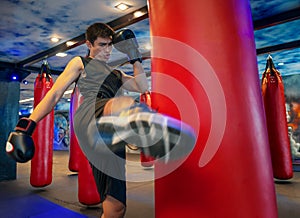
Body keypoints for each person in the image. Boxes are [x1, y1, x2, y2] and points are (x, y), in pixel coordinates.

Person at [6, 22, 196, 218]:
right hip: (90, 115)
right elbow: (54, 95)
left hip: (111, 136)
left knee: (117, 207)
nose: (107, 50)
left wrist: (134, 55)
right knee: (121, 104)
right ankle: (136, 127)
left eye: (110, 45)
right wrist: (26, 126)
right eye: (102, 45)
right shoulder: (80, 63)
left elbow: (141, 86)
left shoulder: (116, 73)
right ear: (89, 44)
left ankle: (124, 129)